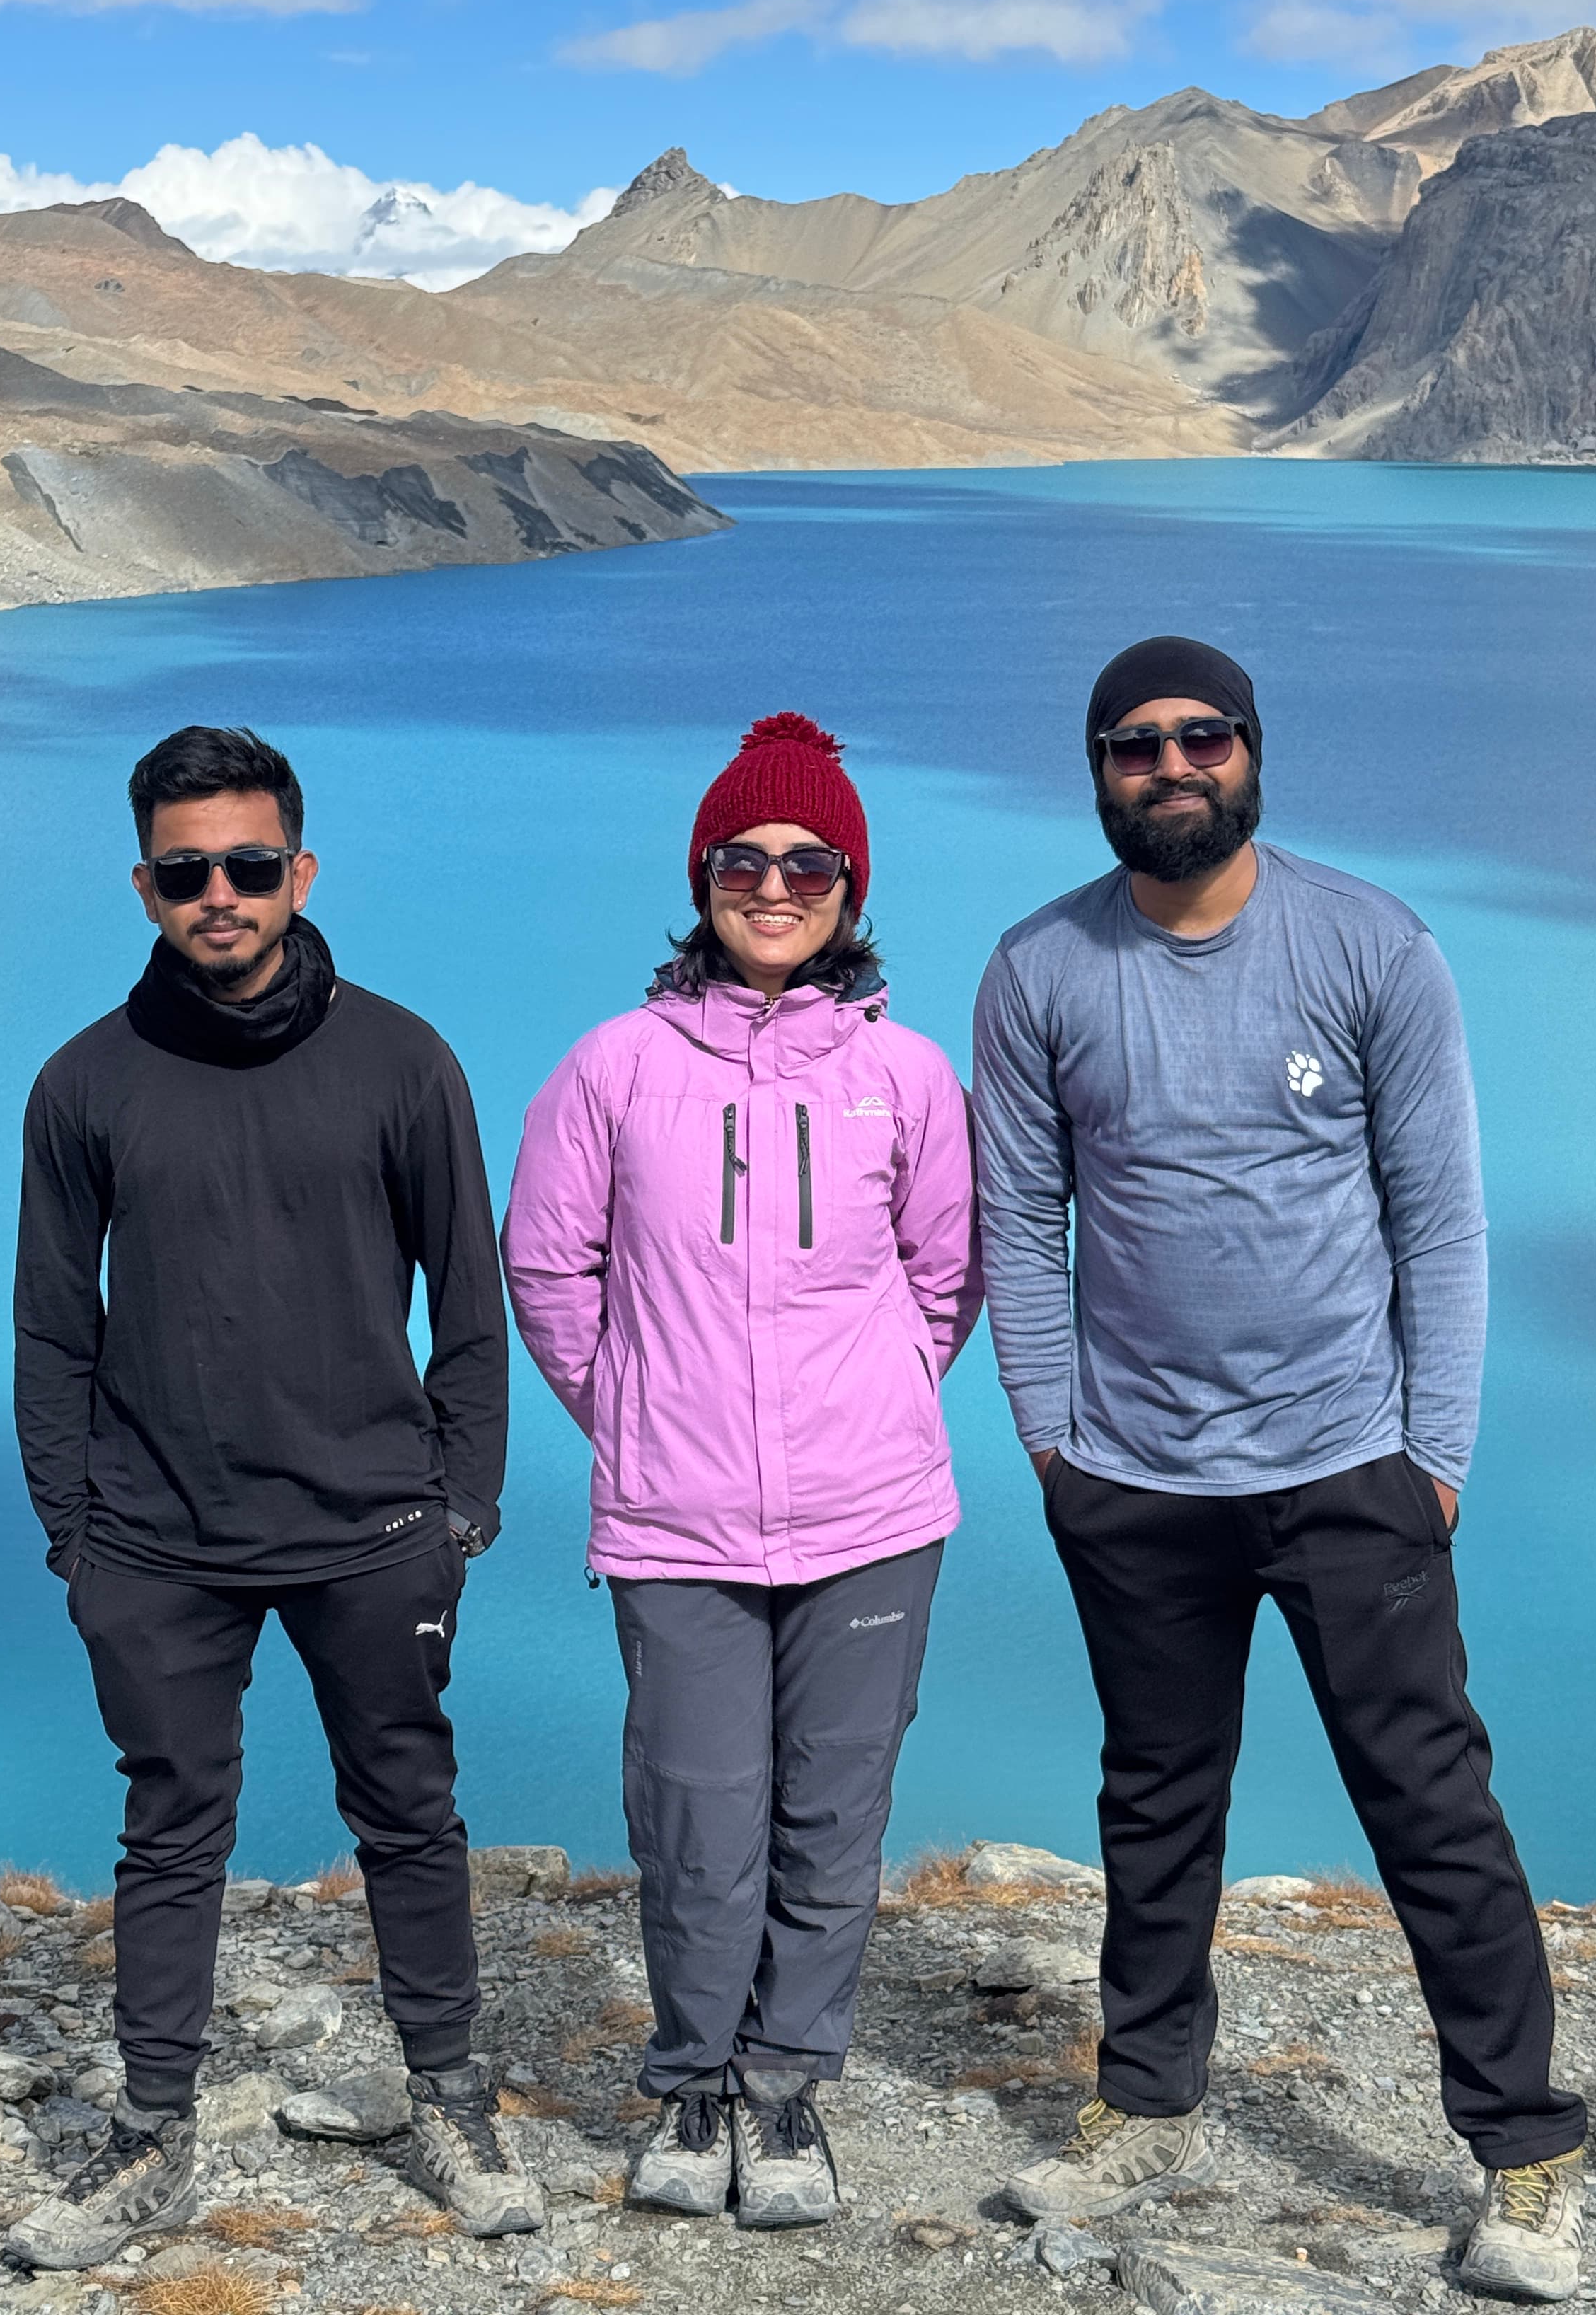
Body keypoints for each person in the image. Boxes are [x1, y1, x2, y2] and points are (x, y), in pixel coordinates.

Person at [971, 639, 1587, 2305]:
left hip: (1347, 1469)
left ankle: (1527, 2153)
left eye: (1201, 739)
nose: (1172, 768)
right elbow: (1020, 1220)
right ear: (1096, 772)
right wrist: (1054, 1442)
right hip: (1137, 1478)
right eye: (1134, 747)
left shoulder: (1373, 945)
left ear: (1252, 752)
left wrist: (1432, 1453)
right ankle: (1147, 2098)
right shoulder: (1038, 971)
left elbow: (1438, 1213)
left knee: (1431, 1802)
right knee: (1156, 1801)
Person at [7, 723, 543, 2270]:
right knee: (171, 1829)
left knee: (409, 1813)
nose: (220, 896)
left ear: (300, 872)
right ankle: (152, 2136)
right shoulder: (84, 1085)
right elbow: (52, 1322)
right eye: (187, 873)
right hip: (156, 1542)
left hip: (376, 1529)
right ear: (146, 884)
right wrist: (75, 1538)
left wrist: (465, 1508)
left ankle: (448, 2097)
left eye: (250, 865)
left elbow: (473, 1302)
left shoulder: (402, 1058)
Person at [502, 712, 981, 2231]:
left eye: (808, 862)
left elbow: (946, 1276)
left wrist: (884, 1393)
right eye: (742, 859)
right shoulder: (616, 1068)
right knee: (698, 1816)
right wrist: (635, 1412)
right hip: (677, 1518)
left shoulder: (904, 1076)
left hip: (872, 1515)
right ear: (701, 875)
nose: (774, 885)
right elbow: (548, 1265)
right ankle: (692, 2085)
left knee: (834, 1815)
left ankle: (786, 2097)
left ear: (851, 885)